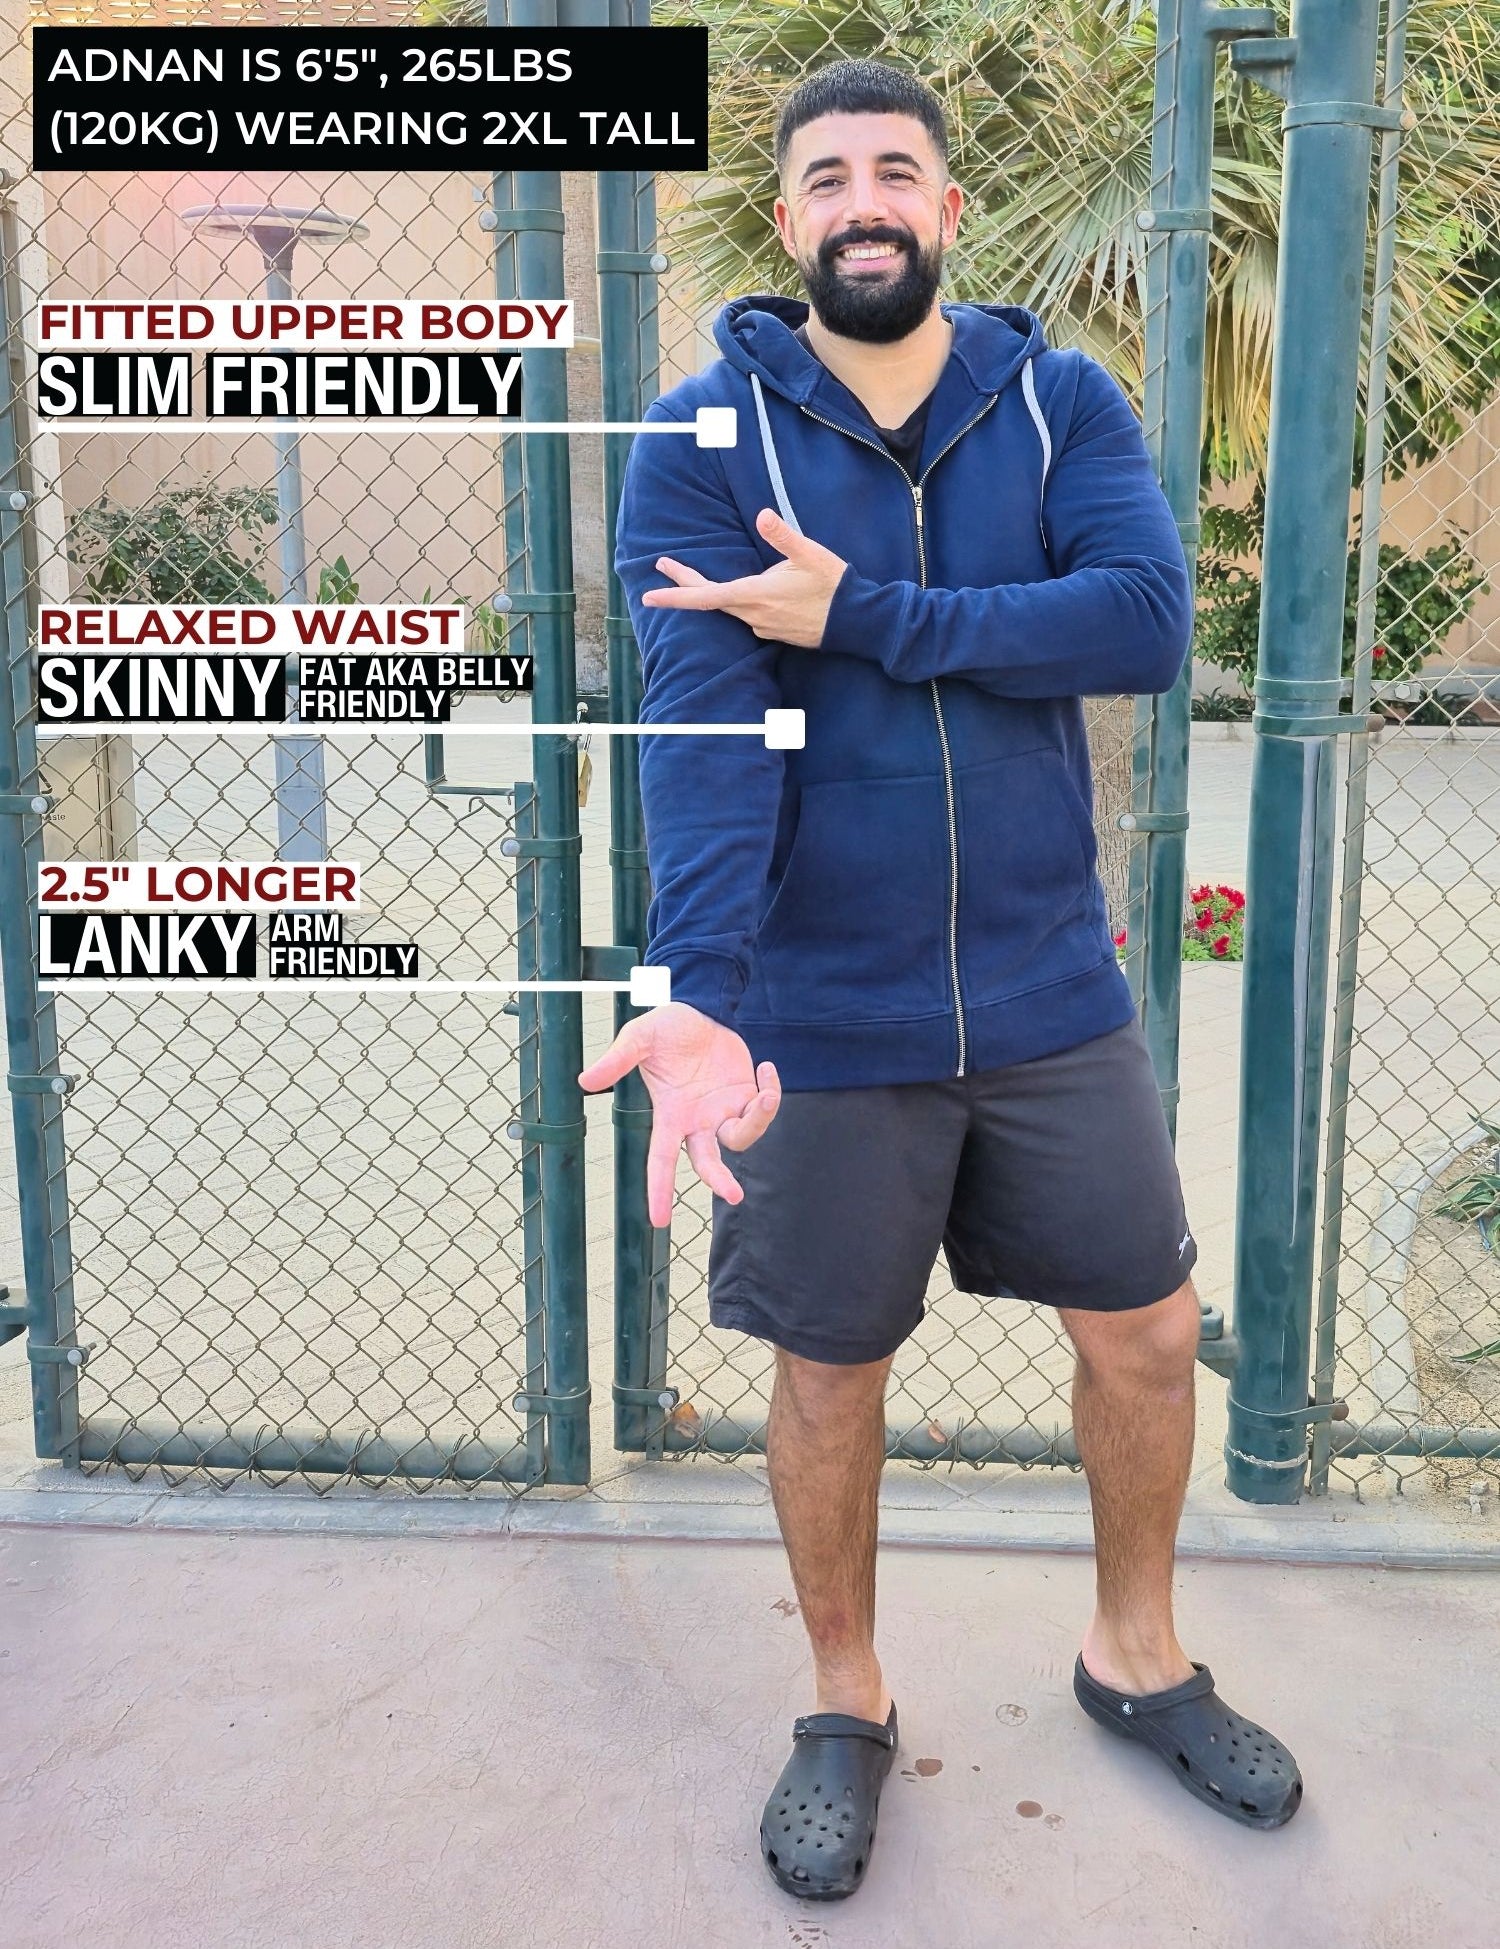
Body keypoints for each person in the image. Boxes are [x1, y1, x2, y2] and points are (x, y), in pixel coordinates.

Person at [580, 56, 1303, 1902]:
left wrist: (870, 617)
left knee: (1145, 1333)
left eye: (897, 170)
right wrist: (706, 984)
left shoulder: (1059, 405)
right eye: (828, 177)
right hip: (828, 1007)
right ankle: (845, 1698)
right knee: (831, 1371)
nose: (865, 201)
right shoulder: (698, 439)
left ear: (950, 209)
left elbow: (1139, 623)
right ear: (789, 219)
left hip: (1052, 985)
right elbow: (703, 729)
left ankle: (1134, 1656)